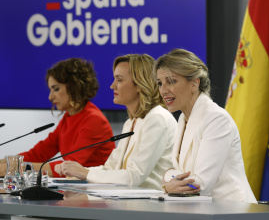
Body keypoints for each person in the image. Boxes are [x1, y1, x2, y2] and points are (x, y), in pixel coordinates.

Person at [54, 54, 177, 190]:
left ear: (140, 84)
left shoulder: (157, 119)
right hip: (129, 202)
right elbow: (111, 168)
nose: (112, 86)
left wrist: (85, 173)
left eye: (119, 80)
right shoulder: (131, 122)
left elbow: (134, 176)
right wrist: (75, 171)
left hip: (151, 206)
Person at [154, 48, 256, 203]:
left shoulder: (216, 119)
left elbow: (199, 185)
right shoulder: (183, 118)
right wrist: (168, 179)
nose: (163, 90)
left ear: (194, 84)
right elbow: (172, 174)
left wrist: (167, 183)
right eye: (160, 83)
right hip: (202, 209)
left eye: (171, 81)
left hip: (231, 210)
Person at [0, 58, 115, 178]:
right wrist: (6, 163)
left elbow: (68, 166)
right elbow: (38, 154)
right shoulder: (69, 117)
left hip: (95, 191)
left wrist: (13, 168)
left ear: (74, 86)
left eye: (56, 89)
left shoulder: (94, 120)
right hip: (76, 188)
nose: (50, 97)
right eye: (50, 90)